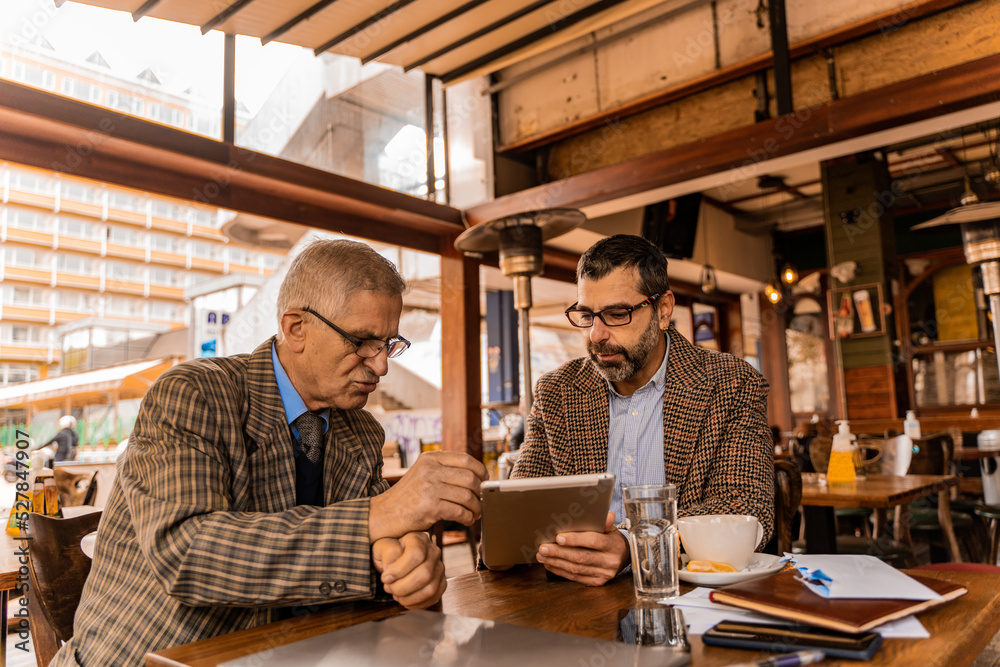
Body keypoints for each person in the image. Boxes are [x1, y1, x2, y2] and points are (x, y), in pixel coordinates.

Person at [54, 239, 488, 667]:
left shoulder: (360, 431)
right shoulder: (194, 394)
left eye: (388, 343)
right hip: (144, 658)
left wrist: (409, 565)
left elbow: (373, 550)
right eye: (361, 341)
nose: (381, 365)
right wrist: (382, 514)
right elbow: (189, 554)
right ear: (296, 328)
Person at [509, 234, 773, 586]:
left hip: (691, 597)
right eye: (587, 315)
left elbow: (744, 508)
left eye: (617, 314)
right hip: (575, 599)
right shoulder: (558, 391)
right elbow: (518, 515)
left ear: (663, 310)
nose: (596, 335)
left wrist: (633, 545)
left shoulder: (731, 383)